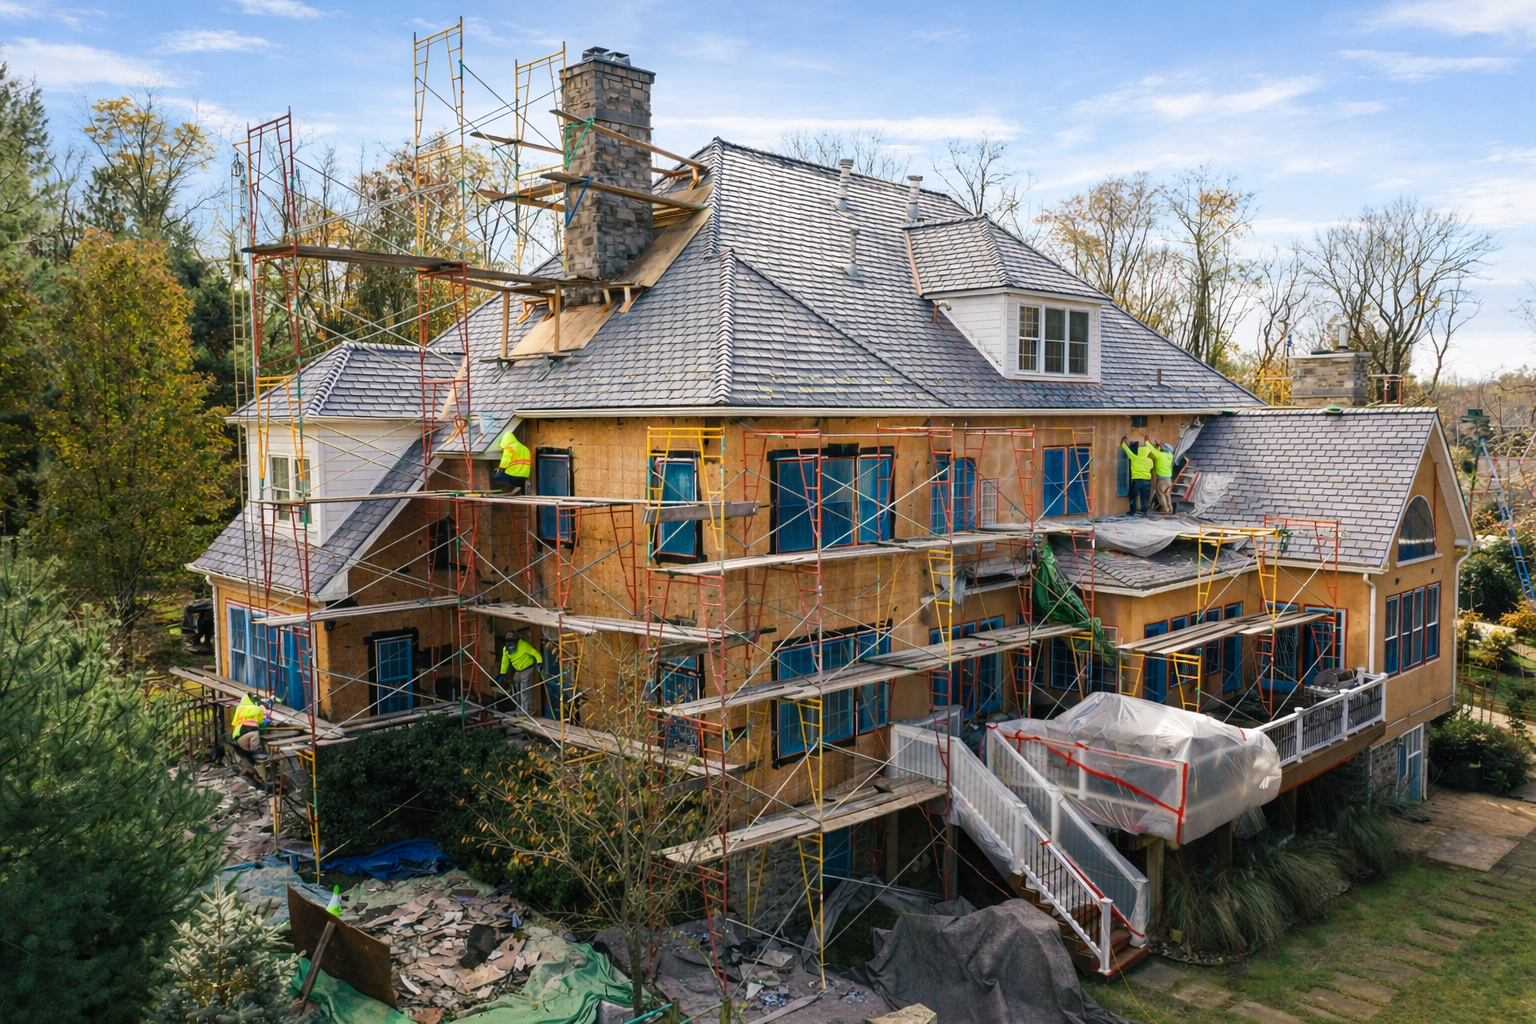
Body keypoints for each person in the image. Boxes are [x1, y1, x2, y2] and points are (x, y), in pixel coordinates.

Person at [495, 630, 544, 715]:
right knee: (516, 690)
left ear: (517, 643)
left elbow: (536, 654)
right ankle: (519, 708)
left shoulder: (524, 646)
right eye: (509, 645)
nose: (511, 647)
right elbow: (505, 662)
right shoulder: (505, 650)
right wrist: (502, 674)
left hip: (527, 669)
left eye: (513, 645)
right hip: (518, 670)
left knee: (525, 691)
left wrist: (539, 662)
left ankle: (526, 711)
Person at [492, 427, 532, 494]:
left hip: (512, 477)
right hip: (524, 477)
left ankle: (511, 488)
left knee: (495, 477)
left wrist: (498, 470)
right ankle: (518, 489)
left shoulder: (509, 448)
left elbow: (503, 466)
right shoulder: (525, 448)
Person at [1121, 434, 1154, 515]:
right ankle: (1144, 511)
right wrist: (1148, 442)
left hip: (1137, 481)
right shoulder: (1150, 461)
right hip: (1147, 481)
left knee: (1133, 496)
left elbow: (1127, 450)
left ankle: (1132, 511)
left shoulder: (1135, 457)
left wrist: (1123, 443)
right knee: (1144, 498)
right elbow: (1151, 468)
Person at [1151, 439, 1175, 515]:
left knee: (1161, 495)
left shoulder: (1160, 455)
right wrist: (1159, 446)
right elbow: (1162, 450)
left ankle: (1165, 509)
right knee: (1168, 495)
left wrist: (1147, 441)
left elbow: (1153, 450)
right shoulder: (1170, 456)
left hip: (1161, 480)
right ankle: (1170, 508)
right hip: (1169, 480)